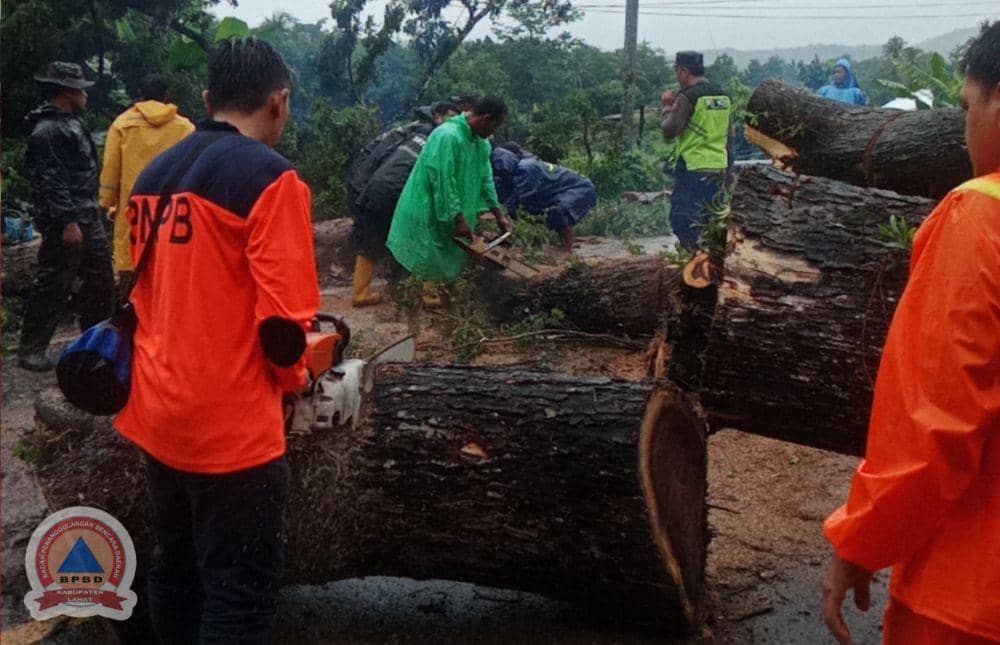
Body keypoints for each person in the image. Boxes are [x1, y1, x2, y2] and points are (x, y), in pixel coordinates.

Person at [113, 39, 320, 643]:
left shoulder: (154, 175)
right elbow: (283, 328)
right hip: (232, 431)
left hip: (158, 412)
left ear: (207, 100)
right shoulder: (271, 179)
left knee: (176, 570)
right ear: (279, 102)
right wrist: (297, 382)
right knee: (239, 594)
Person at [822, 21, 1000, 645]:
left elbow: (937, 423)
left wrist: (863, 539)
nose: (964, 130)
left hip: (970, 592)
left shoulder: (981, 216)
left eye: (968, 107)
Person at [17, 62, 115, 372]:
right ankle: (32, 349)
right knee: (54, 281)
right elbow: (51, 181)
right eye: (80, 90)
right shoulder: (48, 131)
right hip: (69, 219)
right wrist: (67, 221)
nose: (85, 95)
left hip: (86, 213)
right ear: (66, 92)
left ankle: (95, 343)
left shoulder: (70, 123)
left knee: (100, 280)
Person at [386, 96, 513, 287]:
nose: (493, 132)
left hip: (454, 212)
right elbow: (444, 182)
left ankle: (429, 292)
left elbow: (485, 180)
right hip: (429, 209)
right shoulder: (447, 136)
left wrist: (499, 215)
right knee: (425, 256)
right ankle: (412, 293)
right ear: (486, 119)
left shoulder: (481, 144)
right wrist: (459, 219)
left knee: (444, 263)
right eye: (495, 126)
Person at [349, 101, 459, 306]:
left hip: (375, 188)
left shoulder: (413, 132)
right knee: (427, 237)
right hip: (398, 192)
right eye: (451, 118)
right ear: (438, 117)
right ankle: (428, 295)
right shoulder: (439, 140)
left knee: (371, 241)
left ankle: (360, 293)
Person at [99, 73, 194, 278]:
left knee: (133, 267)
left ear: (140, 94)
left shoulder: (122, 124)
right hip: (174, 211)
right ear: (166, 95)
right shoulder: (185, 127)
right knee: (169, 266)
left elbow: (111, 167)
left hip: (133, 208)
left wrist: (107, 202)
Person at [660, 51, 733, 253]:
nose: (677, 76)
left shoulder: (688, 97)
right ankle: (712, 258)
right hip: (718, 168)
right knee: (712, 219)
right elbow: (730, 138)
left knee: (681, 220)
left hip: (693, 168)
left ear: (684, 71)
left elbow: (669, 131)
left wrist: (667, 107)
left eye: (677, 71)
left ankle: (696, 258)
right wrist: (729, 171)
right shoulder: (723, 96)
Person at [490, 144, 597, 252]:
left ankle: (567, 249)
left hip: (579, 187)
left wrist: (502, 215)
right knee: (533, 210)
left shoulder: (527, 168)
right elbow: (500, 196)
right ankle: (543, 242)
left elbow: (521, 196)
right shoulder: (508, 175)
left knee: (559, 210)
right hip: (555, 192)